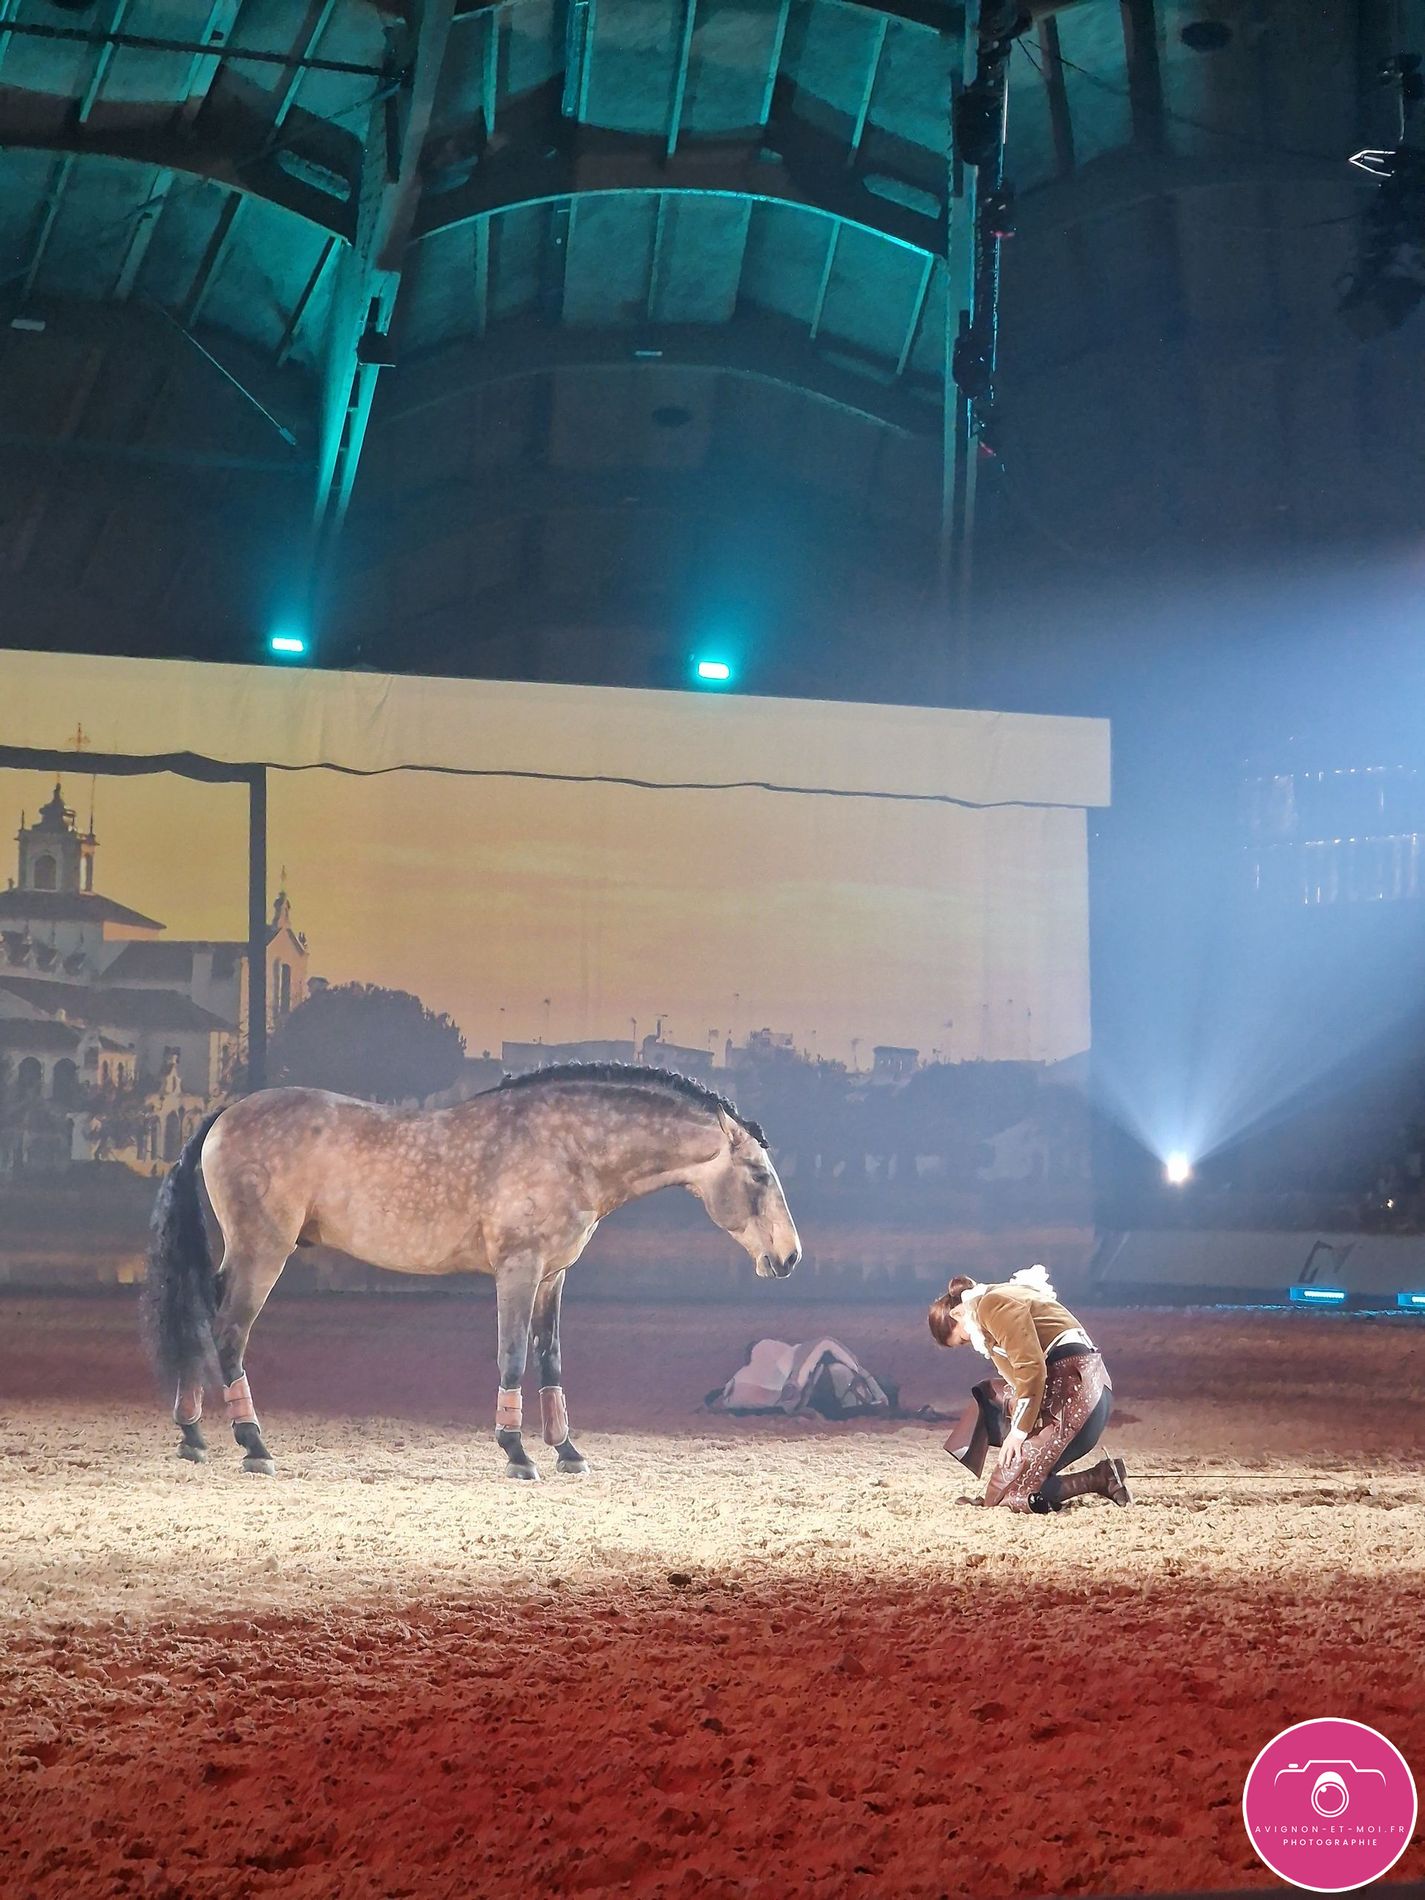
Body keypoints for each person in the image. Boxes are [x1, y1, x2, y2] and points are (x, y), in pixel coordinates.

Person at [928, 1264, 1130, 1513]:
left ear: (958, 1314)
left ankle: (1098, 1478)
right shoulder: (1003, 1296)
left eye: (962, 1338)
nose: (968, 1342)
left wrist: (1019, 1431)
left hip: (1075, 1394)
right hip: (1088, 1389)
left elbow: (1032, 1369)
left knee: (1008, 1494)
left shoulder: (990, 1306)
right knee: (989, 1398)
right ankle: (1102, 1477)